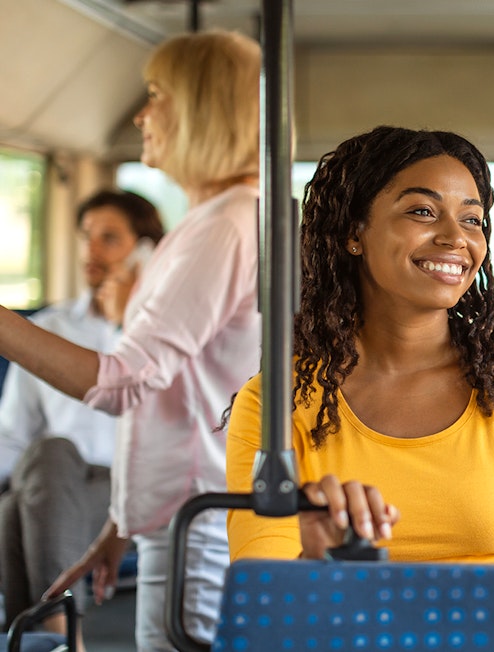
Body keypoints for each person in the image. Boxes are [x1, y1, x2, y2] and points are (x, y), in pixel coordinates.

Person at [226, 126, 494, 571]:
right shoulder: (275, 403)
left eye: (472, 219)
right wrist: (316, 558)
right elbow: (268, 615)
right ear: (353, 232)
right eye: (423, 211)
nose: (455, 237)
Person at [0, 30, 262, 650]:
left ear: (199, 108)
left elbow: (124, 382)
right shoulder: (211, 222)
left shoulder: (224, 228)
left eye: (155, 96)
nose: (141, 115)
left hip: (197, 519)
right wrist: (120, 525)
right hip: (174, 513)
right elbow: (180, 399)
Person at [0, 189, 164, 634]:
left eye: (108, 238)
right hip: (53, 476)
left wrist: (125, 314)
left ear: (146, 249)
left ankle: (45, 632)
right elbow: (13, 434)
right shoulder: (50, 328)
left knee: (13, 513)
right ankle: (59, 630)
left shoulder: (157, 333)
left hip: (118, 485)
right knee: (45, 459)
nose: (91, 250)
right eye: (86, 236)